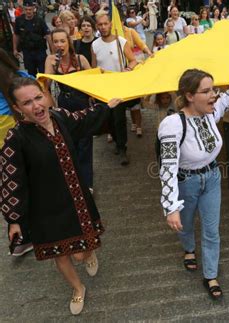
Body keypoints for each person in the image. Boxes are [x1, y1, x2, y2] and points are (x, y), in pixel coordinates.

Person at [1, 77, 122, 314]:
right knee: (61, 254)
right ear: (17, 108)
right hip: (44, 209)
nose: (36, 106)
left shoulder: (60, 117)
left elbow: (85, 119)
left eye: (38, 97)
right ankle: (78, 289)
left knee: (79, 253)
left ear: (45, 95)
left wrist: (107, 106)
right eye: (27, 103)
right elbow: (10, 180)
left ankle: (89, 253)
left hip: (76, 198)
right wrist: (14, 219)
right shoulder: (15, 139)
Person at [158, 69, 229, 299]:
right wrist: (170, 206)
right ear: (189, 95)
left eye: (213, 89)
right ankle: (188, 250)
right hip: (186, 183)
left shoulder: (209, 112)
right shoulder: (172, 125)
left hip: (213, 178)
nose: (214, 95)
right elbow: (167, 167)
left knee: (211, 230)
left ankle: (211, 275)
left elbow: (221, 106)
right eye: (206, 91)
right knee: (184, 224)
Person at [44, 28, 95, 194]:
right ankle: (75, 181)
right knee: (70, 143)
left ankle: (87, 184)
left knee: (85, 143)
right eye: (56, 41)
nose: (59, 44)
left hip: (82, 103)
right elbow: (45, 87)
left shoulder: (80, 59)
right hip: (64, 104)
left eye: (62, 41)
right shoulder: (51, 60)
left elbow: (94, 82)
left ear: (69, 42)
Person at [91, 10, 138, 166]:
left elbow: (133, 60)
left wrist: (128, 69)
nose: (103, 27)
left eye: (106, 24)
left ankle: (122, 148)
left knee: (118, 118)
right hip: (103, 88)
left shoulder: (121, 41)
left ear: (111, 24)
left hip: (118, 87)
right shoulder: (95, 45)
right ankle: (117, 141)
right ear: (96, 26)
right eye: (100, 25)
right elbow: (93, 69)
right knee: (108, 118)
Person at [0, 48, 34, 257]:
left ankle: (20, 234)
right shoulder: (19, 77)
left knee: (11, 183)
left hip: (5, 132)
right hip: (18, 129)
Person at [13, 0, 51, 76]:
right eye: (26, 9)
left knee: (43, 74)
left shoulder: (40, 20)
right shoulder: (19, 20)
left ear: (34, 9)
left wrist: (52, 51)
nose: (28, 11)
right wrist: (15, 49)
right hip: (27, 52)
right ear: (23, 9)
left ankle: (45, 88)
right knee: (31, 74)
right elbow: (16, 35)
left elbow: (48, 35)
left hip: (40, 51)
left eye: (30, 9)